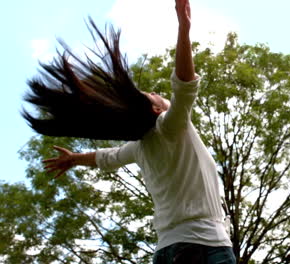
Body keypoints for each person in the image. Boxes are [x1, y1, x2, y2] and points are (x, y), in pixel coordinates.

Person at [22, 0, 236, 263]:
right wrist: (184, 29)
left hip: (166, 250)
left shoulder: (139, 147)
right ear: (158, 111)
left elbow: (105, 158)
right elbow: (184, 86)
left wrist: (74, 159)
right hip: (203, 246)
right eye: (154, 96)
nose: (157, 93)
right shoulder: (170, 126)